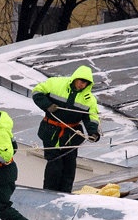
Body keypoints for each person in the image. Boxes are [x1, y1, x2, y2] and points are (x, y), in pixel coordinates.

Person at [32, 65, 100, 193]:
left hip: (70, 136)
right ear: (75, 78)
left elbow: (92, 117)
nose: (82, 85)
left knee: (69, 168)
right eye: (81, 81)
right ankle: (49, 195)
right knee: (55, 166)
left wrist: (93, 133)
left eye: (85, 83)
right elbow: (37, 91)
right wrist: (47, 105)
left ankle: (65, 196)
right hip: (51, 132)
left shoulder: (89, 100)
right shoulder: (56, 83)